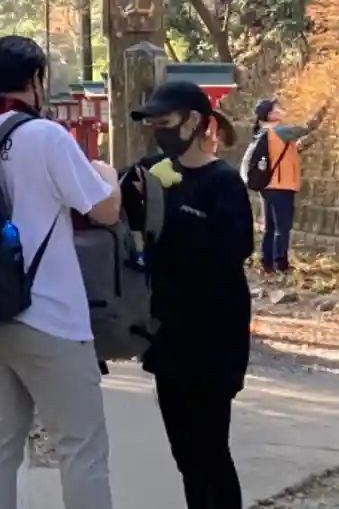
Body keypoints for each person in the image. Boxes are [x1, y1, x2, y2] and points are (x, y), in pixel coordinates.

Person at [0, 36, 122, 509]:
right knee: (81, 446)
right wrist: (107, 176)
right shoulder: (45, 136)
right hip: (50, 315)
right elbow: (104, 209)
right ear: (35, 80)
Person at [126, 81, 252, 509]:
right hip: (167, 333)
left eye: (165, 122)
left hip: (215, 335)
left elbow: (233, 251)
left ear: (194, 120)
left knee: (211, 451)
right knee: (185, 455)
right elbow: (113, 208)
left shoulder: (223, 182)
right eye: (153, 125)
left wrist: (176, 214)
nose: (158, 133)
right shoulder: (149, 172)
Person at [246, 98, 323, 275]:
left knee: (270, 228)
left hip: (268, 186)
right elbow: (306, 128)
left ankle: (267, 263)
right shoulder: (279, 130)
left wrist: (308, 142)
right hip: (281, 186)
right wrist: (324, 109)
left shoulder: (263, 132)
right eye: (276, 109)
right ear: (269, 114)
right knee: (282, 227)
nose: (280, 111)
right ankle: (280, 264)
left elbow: (288, 150)